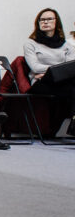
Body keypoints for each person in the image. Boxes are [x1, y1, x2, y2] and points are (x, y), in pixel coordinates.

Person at [23, 7, 75, 136]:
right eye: (42, 20)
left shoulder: (67, 46)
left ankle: (62, 126)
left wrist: (51, 71)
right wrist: (54, 70)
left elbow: (70, 68)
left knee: (71, 89)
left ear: (57, 22)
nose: (45, 22)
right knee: (71, 90)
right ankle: (71, 124)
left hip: (61, 81)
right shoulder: (30, 43)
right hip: (40, 82)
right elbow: (35, 67)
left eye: (49, 19)